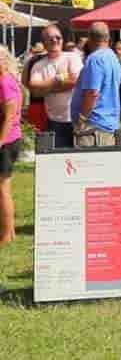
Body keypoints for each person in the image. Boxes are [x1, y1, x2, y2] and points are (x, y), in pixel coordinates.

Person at [27, 23, 81, 147]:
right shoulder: (38, 65)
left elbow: (75, 80)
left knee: (80, 161)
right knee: (58, 160)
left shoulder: (72, 57)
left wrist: (46, 88)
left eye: (58, 37)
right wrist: (59, 79)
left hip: (76, 120)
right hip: (54, 121)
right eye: (50, 38)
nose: (54, 40)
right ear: (44, 42)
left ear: (62, 40)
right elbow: (34, 88)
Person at [70, 22, 121, 148]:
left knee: (88, 166)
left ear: (90, 38)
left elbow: (92, 93)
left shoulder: (95, 59)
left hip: (93, 127)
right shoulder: (113, 57)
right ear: (108, 38)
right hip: (107, 124)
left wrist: (81, 119)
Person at [0, 46, 22, 249]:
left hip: (7, 141)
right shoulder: (9, 80)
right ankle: (10, 231)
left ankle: (6, 235)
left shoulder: (5, 82)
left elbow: (10, 116)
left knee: (2, 189)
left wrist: (0, 141)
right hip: (10, 140)